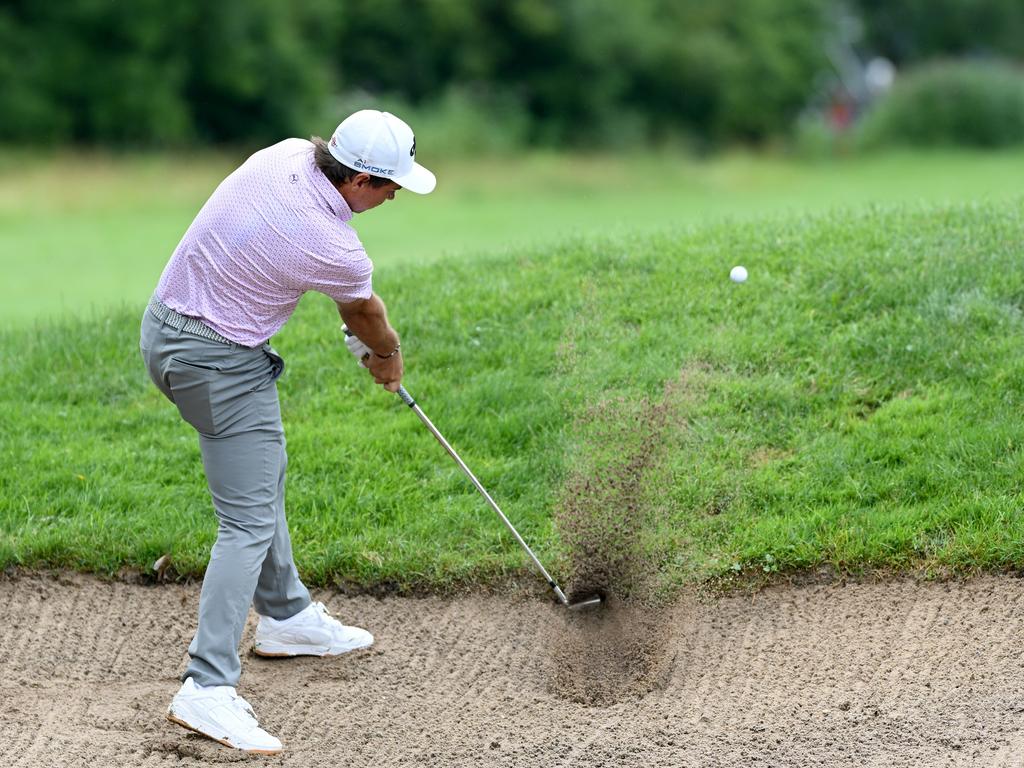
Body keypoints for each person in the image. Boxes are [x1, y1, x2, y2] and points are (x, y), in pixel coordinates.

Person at [139, 110, 435, 754]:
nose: (392, 197)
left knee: (260, 475)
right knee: (245, 521)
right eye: (389, 186)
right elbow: (364, 312)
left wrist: (363, 334)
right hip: (216, 360)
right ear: (357, 179)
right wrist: (385, 354)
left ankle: (287, 616)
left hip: (168, 330)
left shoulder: (289, 153)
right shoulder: (333, 244)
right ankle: (206, 688)